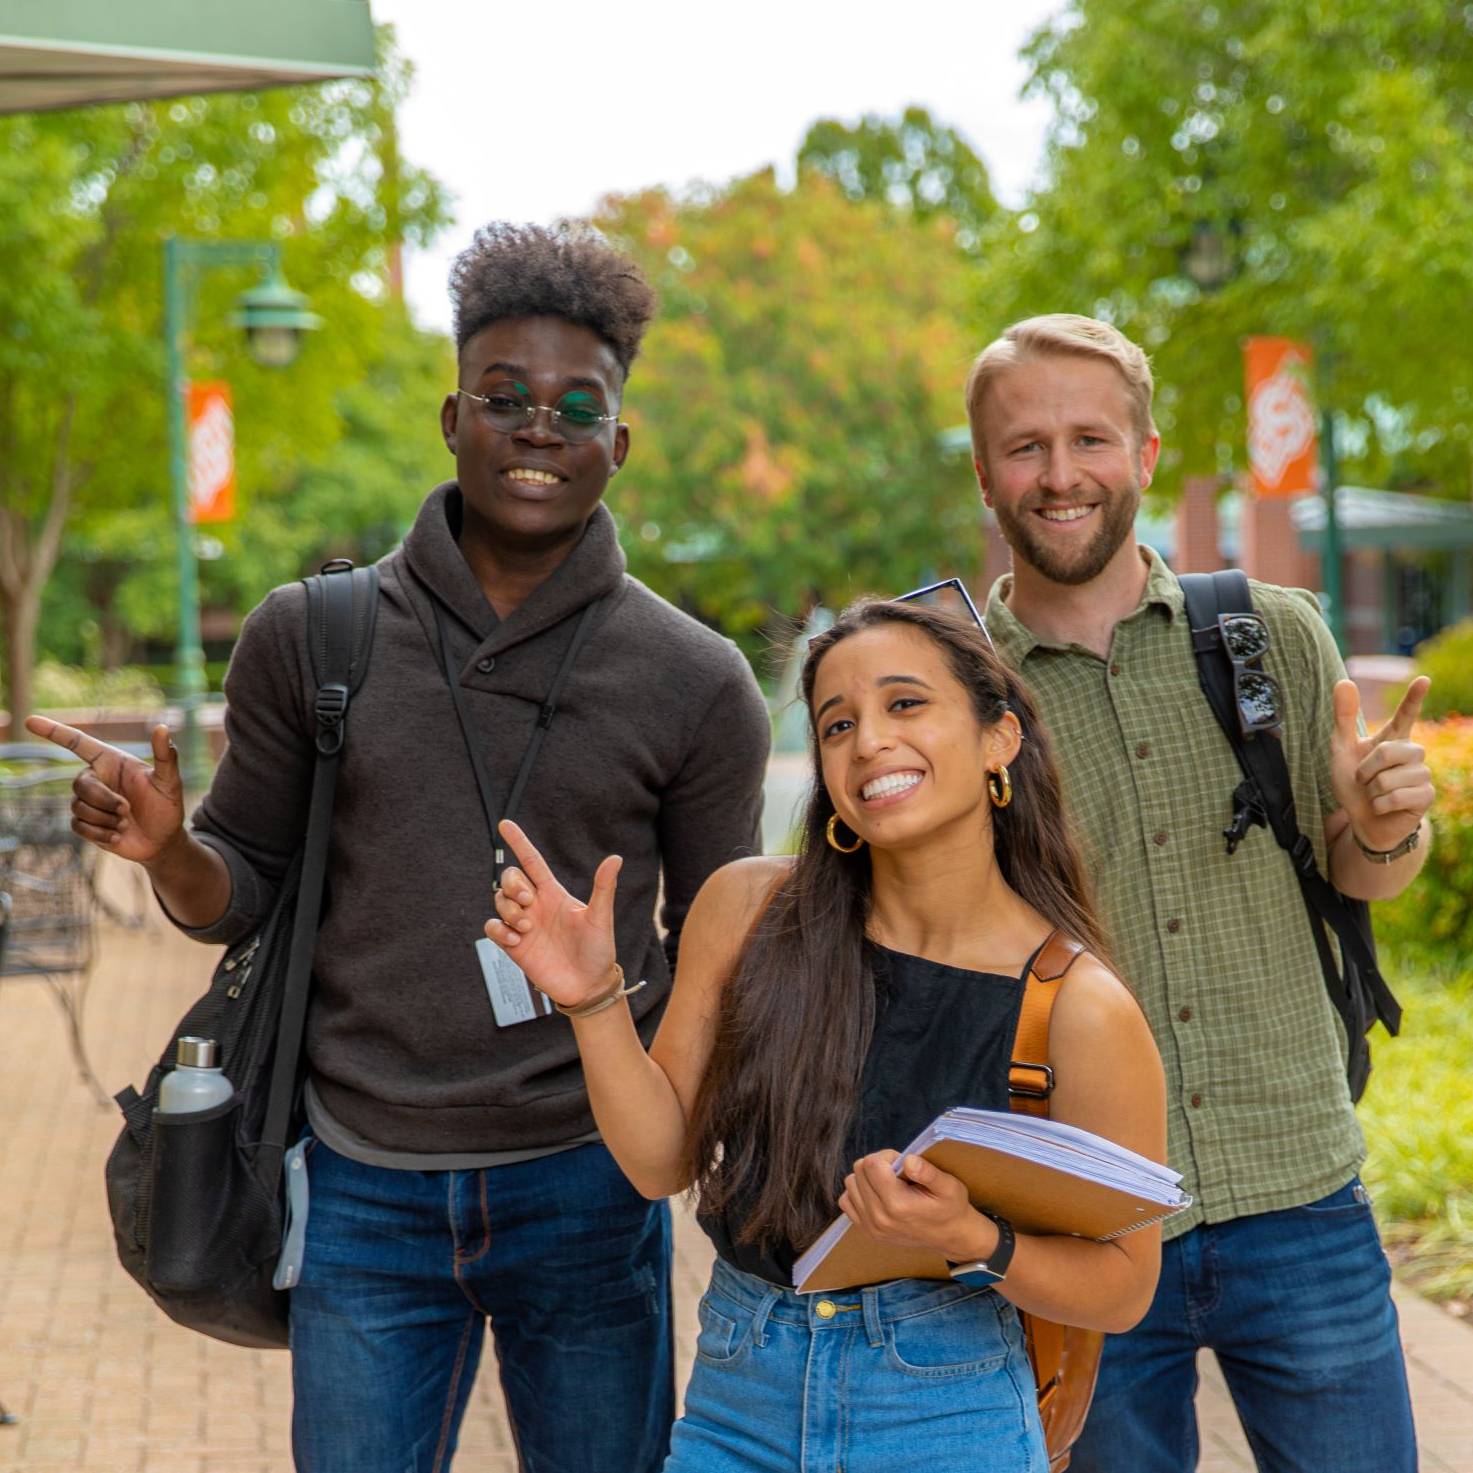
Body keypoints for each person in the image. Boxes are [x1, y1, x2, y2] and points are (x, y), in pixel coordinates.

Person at [28, 222, 771, 1473]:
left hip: (587, 1183)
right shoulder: (311, 636)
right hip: (362, 1181)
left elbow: (721, 958)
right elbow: (238, 895)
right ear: (451, 416)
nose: (540, 426)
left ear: (620, 442)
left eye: (577, 406)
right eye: (505, 396)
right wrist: (167, 853)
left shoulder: (698, 683)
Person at [480, 598, 1167, 1473]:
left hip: (944, 1403)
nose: (868, 740)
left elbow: (1124, 1286)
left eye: (905, 703)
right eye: (836, 722)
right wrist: (593, 1002)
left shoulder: (1077, 1004)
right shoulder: (747, 908)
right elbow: (658, 1162)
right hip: (740, 1387)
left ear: (999, 739)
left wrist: (972, 1237)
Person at [964, 313, 1435, 1473]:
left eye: (1091, 439)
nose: (1061, 474)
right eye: (1025, 447)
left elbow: (1357, 875)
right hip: (1085, 1215)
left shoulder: (1273, 634)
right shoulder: (957, 690)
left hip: (1299, 1188)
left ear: (1148, 453)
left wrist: (1386, 826)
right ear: (984, 476)